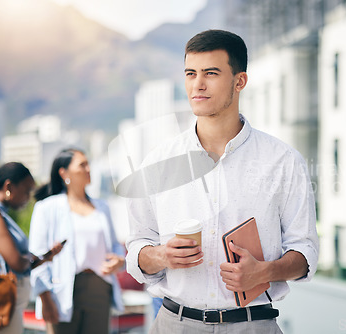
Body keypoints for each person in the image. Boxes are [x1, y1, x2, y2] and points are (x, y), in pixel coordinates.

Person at [125, 29, 319, 333]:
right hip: (174, 325)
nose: (197, 85)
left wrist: (264, 271)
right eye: (191, 73)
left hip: (253, 325)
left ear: (239, 81)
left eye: (211, 73)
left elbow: (305, 252)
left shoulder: (283, 161)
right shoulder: (157, 163)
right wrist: (161, 255)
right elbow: (137, 248)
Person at [29, 148, 125, 334]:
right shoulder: (47, 208)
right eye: (82, 165)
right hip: (62, 291)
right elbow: (36, 255)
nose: (88, 169)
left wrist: (119, 260)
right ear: (64, 172)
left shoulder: (102, 207)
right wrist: (45, 299)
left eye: (88, 164)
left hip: (100, 288)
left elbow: (114, 245)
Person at [0, 162, 63, 334]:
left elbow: (20, 262)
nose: (28, 197)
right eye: (26, 190)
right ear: (8, 186)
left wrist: (43, 258)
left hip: (4, 303)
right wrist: (34, 258)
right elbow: (17, 263)